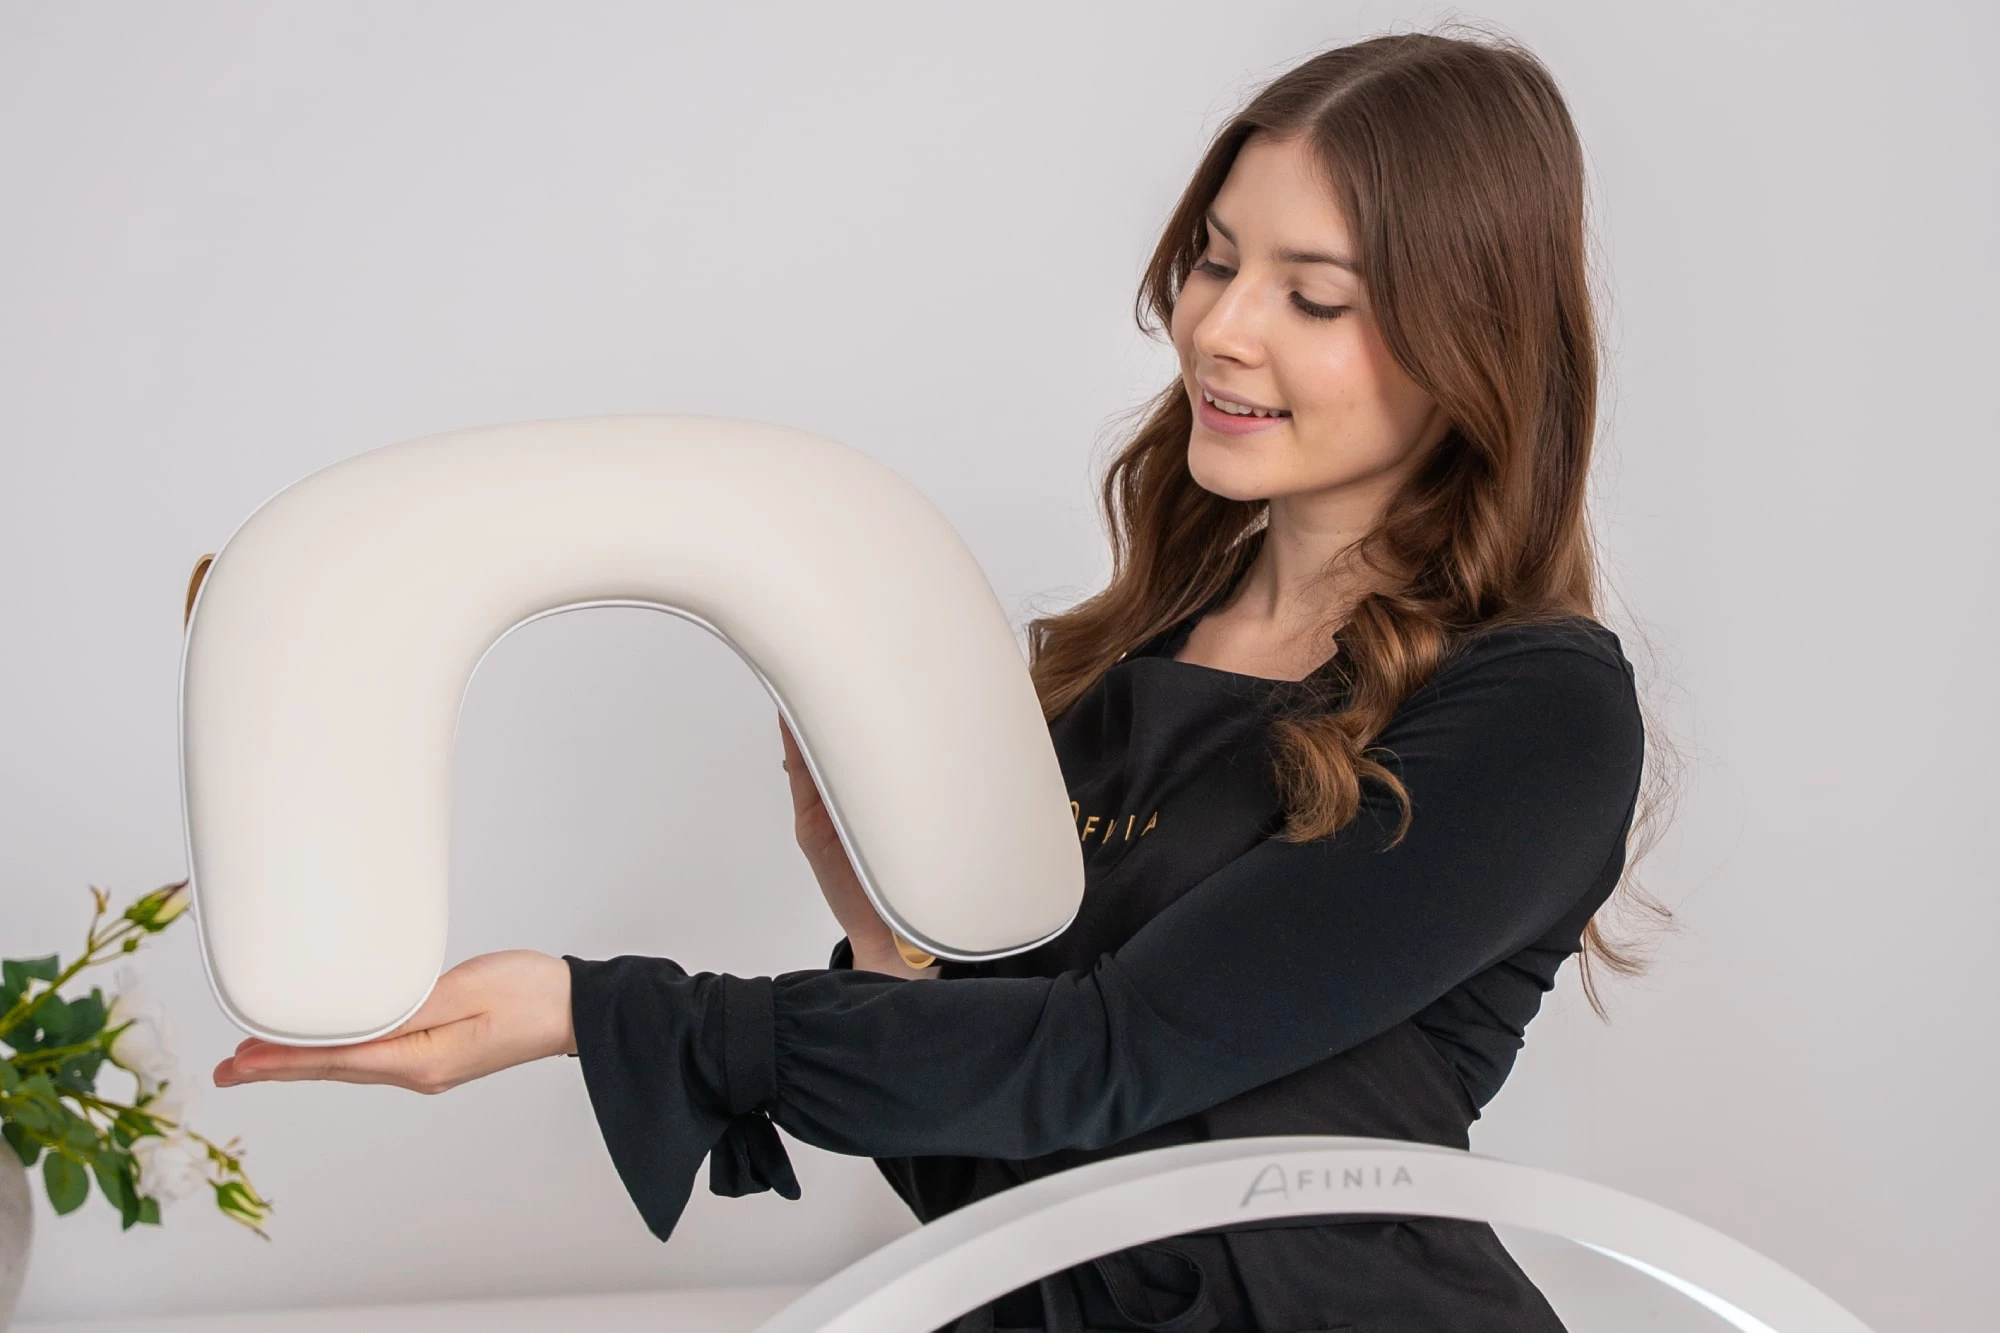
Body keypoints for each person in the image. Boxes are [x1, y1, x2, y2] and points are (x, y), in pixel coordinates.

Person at [213, 27, 1679, 1332]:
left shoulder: (1535, 709)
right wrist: (891, 943)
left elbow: (1103, 1062)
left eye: (1316, 296)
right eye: (1217, 259)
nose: (1221, 327)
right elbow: (994, 1179)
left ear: (1472, 338)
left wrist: (595, 1012)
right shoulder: (1115, 672)